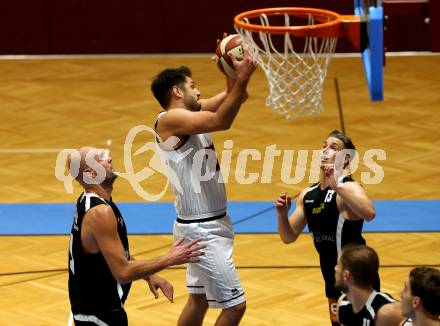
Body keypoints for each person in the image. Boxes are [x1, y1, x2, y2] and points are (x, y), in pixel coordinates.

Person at [150, 41, 257, 326]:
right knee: (235, 307)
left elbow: (237, 97)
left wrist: (232, 71)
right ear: (177, 92)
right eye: (192, 86)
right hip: (202, 228)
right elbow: (222, 121)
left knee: (199, 301)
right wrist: (241, 77)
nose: (198, 91)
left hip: (206, 224)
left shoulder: (190, 114)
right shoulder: (170, 120)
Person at [67, 146, 206, 326]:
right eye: (100, 158)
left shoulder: (89, 201)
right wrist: (169, 258)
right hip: (99, 318)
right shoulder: (100, 213)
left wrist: (149, 275)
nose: (109, 158)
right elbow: (123, 272)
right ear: (90, 173)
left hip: (98, 312)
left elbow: (114, 255)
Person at [275, 130, 378, 326]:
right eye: (324, 146)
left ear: (345, 159)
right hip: (333, 280)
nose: (325, 150)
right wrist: (281, 214)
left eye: (333, 148)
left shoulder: (349, 188)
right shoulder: (308, 194)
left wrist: (337, 186)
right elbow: (288, 237)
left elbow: (369, 213)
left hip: (358, 280)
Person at [335, 244, 404, 326]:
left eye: (338, 265)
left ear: (346, 275)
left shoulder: (386, 312)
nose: (335, 268)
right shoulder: (342, 304)